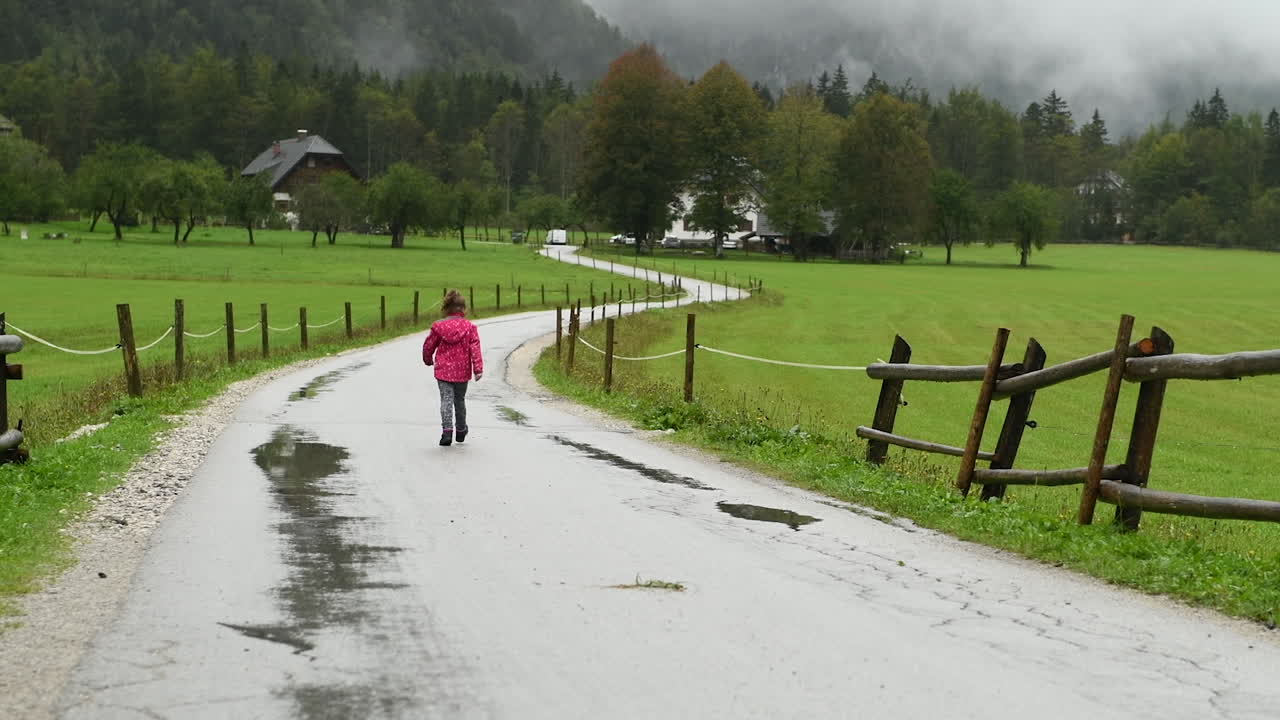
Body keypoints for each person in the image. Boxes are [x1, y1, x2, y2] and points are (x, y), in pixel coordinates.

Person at [422, 290, 484, 446]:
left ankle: (447, 432)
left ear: (446, 308)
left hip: (443, 371)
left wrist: (428, 359)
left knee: (446, 400)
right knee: (459, 400)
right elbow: (475, 348)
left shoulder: (438, 327)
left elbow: (429, 345)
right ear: (463, 309)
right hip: (462, 371)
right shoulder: (469, 327)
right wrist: (478, 368)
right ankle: (461, 429)